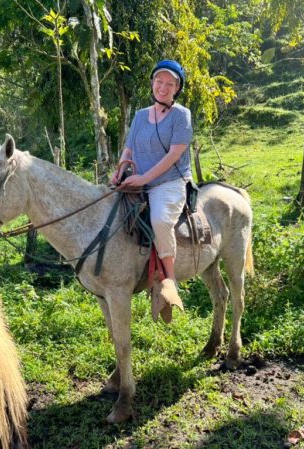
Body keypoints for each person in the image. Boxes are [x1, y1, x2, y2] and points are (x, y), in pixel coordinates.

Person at [111, 59, 193, 320]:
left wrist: (145, 178)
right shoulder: (139, 116)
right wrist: (121, 169)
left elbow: (173, 156)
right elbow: (130, 147)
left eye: (170, 84)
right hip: (138, 178)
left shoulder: (182, 115)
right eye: (159, 81)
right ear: (152, 83)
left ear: (176, 88)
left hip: (168, 182)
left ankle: (169, 280)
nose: (163, 87)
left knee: (159, 219)